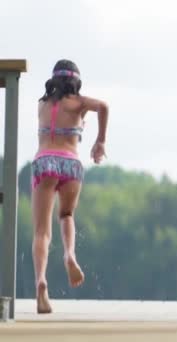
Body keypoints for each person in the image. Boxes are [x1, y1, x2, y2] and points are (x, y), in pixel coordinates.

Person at [32, 59, 109, 314]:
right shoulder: (79, 103)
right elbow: (104, 106)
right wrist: (100, 141)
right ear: (75, 81)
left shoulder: (42, 104)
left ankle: (41, 281)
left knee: (41, 232)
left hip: (45, 162)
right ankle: (69, 254)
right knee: (66, 215)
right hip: (70, 164)